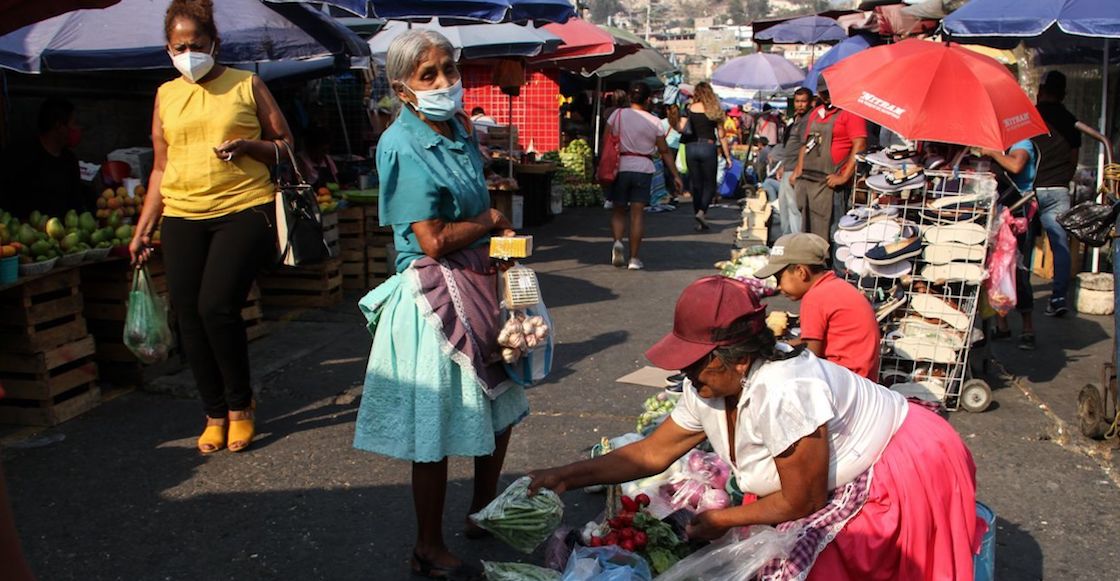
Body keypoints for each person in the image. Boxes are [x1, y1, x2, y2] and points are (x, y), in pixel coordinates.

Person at [529, 276, 979, 580]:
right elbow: (651, 453)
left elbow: (804, 498)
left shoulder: (784, 389)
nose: (690, 378)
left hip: (904, 461)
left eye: (696, 365)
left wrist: (721, 519)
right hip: (837, 473)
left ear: (740, 357)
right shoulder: (707, 382)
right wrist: (564, 476)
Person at [351, 30, 527, 581]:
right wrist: (493, 221)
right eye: (428, 76)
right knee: (437, 422)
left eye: (449, 70)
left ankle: (481, 510)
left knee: (497, 405)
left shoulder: (457, 128)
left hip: (476, 277)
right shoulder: (401, 144)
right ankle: (427, 545)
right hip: (432, 293)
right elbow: (430, 239)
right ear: (403, 89)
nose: (445, 83)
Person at [129, 0, 291, 454]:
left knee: (216, 306)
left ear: (214, 44)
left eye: (196, 45)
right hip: (182, 213)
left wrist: (248, 146)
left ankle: (240, 407)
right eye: (179, 46)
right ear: (168, 49)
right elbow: (161, 167)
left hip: (243, 207)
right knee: (188, 314)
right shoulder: (165, 95)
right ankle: (213, 411)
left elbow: (284, 145)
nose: (188, 52)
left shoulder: (247, 84)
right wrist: (145, 226)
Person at [753, 233, 880, 379]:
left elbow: (810, 355)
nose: (778, 287)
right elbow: (811, 341)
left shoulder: (815, 298)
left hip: (844, 382)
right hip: (863, 380)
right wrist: (781, 345)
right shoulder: (835, 287)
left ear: (801, 272)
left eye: (779, 278)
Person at [605, 82, 684, 270]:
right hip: (643, 168)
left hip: (620, 166)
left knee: (618, 210)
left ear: (630, 97)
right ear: (648, 99)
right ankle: (633, 258)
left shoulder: (617, 115)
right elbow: (664, 151)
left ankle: (617, 242)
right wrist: (675, 175)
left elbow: (606, 140)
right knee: (637, 214)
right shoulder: (654, 121)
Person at [790, 77, 866, 240]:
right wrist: (798, 171)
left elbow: (860, 144)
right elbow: (806, 144)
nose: (827, 96)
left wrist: (844, 176)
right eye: (823, 93)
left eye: (830, 92)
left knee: (833, 232)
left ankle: (835, 266)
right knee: (809, 230)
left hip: (832, 182)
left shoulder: (850, 112)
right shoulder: (816, 113)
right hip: (810, 180)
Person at [1031, 71, 1081, 317]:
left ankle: (1020, 302)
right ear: (1063, 94)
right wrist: (1063, 179)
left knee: (1022, 245)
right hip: (1059, 189)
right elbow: (1073, 161)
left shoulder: (1031, 117)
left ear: (1041, 90)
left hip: (1029, 191)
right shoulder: (1071, 122)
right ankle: (1059, 297)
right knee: (1060, 245)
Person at [983, 139, 1040, 350]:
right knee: (994, 272)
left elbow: (1016, 166)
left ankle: (1028, 327)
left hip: (1019, 212)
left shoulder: (1021, 141)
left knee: (1019, 272)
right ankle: (1002, 324)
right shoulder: (992, 140)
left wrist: (992, 152)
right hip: (997, 213)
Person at [0, 98, 90, 219]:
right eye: (74, 123)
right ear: (59, 126)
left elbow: (76, 202)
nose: (78, 128)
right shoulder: (19, 155)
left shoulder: (70, 160)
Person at [678, 82, 732, 231]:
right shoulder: (715, 110)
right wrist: (727, 156)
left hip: (691, 147)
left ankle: (698, 218)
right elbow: (722, 136)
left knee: (696, 184)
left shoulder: (688, 108)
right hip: (708, 147)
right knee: (710, 183)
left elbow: (681, 128)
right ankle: (702, 212)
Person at [776, 88, 812, 235]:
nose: (800, 105)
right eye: (797, 101)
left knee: (794, 208)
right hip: (788, 167)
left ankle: (795, 243)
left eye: (803, 101)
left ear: (809, 103)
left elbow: (805, 146)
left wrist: (798, 170)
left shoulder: (807, 121)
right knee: (783, 207)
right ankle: (786, 241)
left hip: (795, 170)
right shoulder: (796, 120)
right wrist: (782, 166)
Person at [661, 103, 683, 199]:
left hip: (667, 147)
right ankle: (675, 192)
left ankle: (668, 191)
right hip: (678, 148)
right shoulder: (681, 122)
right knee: (674, 172)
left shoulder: (664, 122)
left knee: (666, 171)